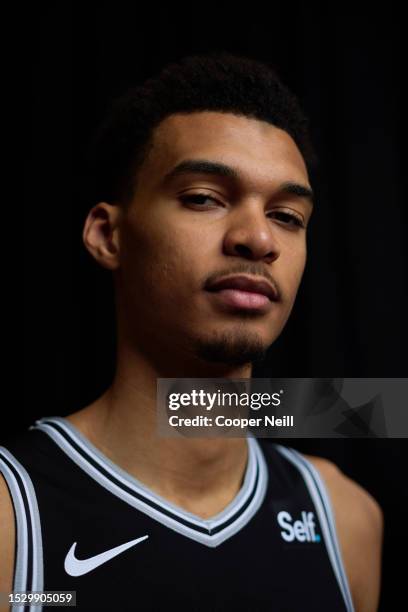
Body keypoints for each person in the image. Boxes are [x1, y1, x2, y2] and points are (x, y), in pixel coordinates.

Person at [0, 51, 383, 611]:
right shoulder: (13, 518)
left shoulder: (346, 519)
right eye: (204, 198)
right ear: (109, 235)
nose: (259, 239)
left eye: (287, 216)